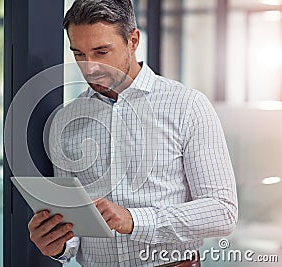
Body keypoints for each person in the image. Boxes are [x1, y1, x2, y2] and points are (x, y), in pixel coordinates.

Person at [28, 0, 238, 266]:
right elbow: (75, 235)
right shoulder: (65, 120)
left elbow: (222, 211)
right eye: (79, 54)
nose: (89, 67)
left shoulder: (188, 106)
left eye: (101, 52)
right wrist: (56, 242)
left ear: (133, 40)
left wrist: (135, 220)